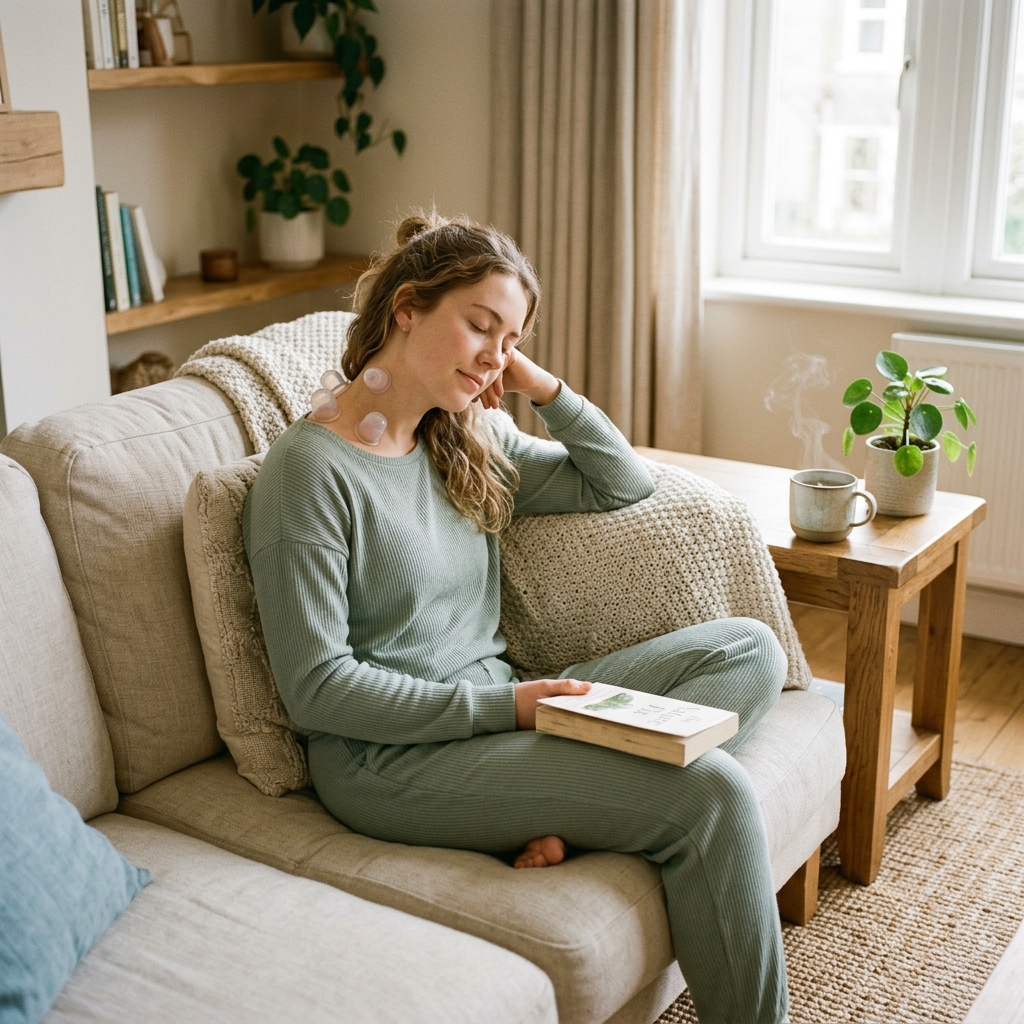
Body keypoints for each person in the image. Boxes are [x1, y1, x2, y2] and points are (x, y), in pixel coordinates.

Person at [243, 213, 790, 1024]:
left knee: (749, 651)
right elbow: (318, 693)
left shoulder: (459, 443)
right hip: (388, 761)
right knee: (710, 792)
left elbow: (620, 483)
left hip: (507, 712)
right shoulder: (309, 471)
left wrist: (539, 387)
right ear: (406, 309)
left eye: (511, 338)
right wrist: (515, 707)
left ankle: (571, 806)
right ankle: (584, 804)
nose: (494, 354)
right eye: (479, 325)